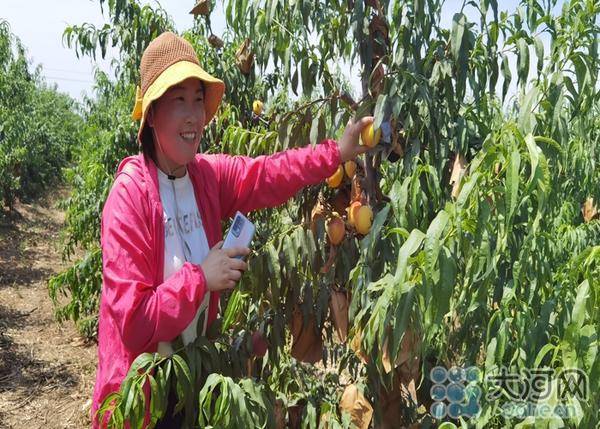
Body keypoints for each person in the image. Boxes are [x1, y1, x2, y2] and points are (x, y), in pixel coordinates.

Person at [91, 31, 374, 428]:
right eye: (178, 101)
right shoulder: (130, 199)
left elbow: (269, 172)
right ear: (152, 114)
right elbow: (134, 322)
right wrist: (201, 279)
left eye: (198, 101)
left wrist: (336, 153)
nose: (194, 116)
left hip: (196, 381)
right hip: (143, 399)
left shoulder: (206, 176)